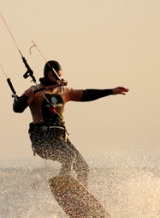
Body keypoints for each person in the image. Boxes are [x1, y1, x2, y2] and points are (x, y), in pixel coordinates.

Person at [13, 60, 129, 188]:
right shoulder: (35, 92)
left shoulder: (63, 91)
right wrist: (24, 96)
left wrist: (110, 91)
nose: (57, 79)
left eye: (59, 75)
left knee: (84, 168)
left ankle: (82, 198)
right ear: (46, 75)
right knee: (69, 156)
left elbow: (86, 94)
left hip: (60, 138)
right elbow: (17, 109)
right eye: (54, 76)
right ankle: (62, 187)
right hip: (43, 140)